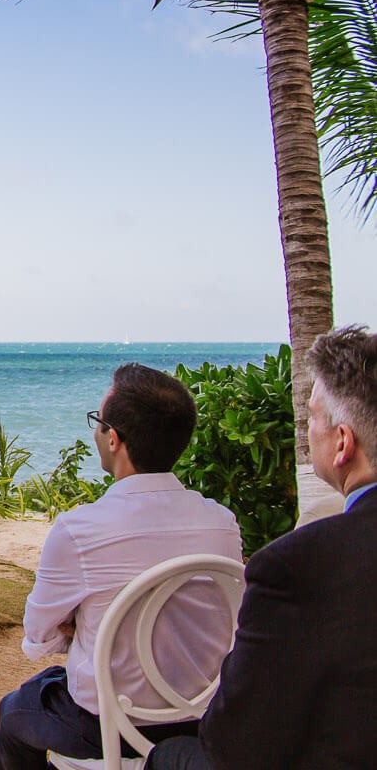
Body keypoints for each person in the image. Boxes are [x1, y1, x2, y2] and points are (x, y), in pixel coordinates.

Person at [0, 363, 242, 770]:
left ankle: (6, 758)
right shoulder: (222, 523)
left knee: (16, 709)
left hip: (106, 723)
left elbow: (38, 637)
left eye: (98, 423)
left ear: (114, 439)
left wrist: (82, 626)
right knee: (36, 700)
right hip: (200, 718)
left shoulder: (79, 530)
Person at [147, 325, 377, 770]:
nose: (308, 430)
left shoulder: (302, 565)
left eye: (311, 417)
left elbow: (235, 745)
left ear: (343, 442)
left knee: (168, 756)